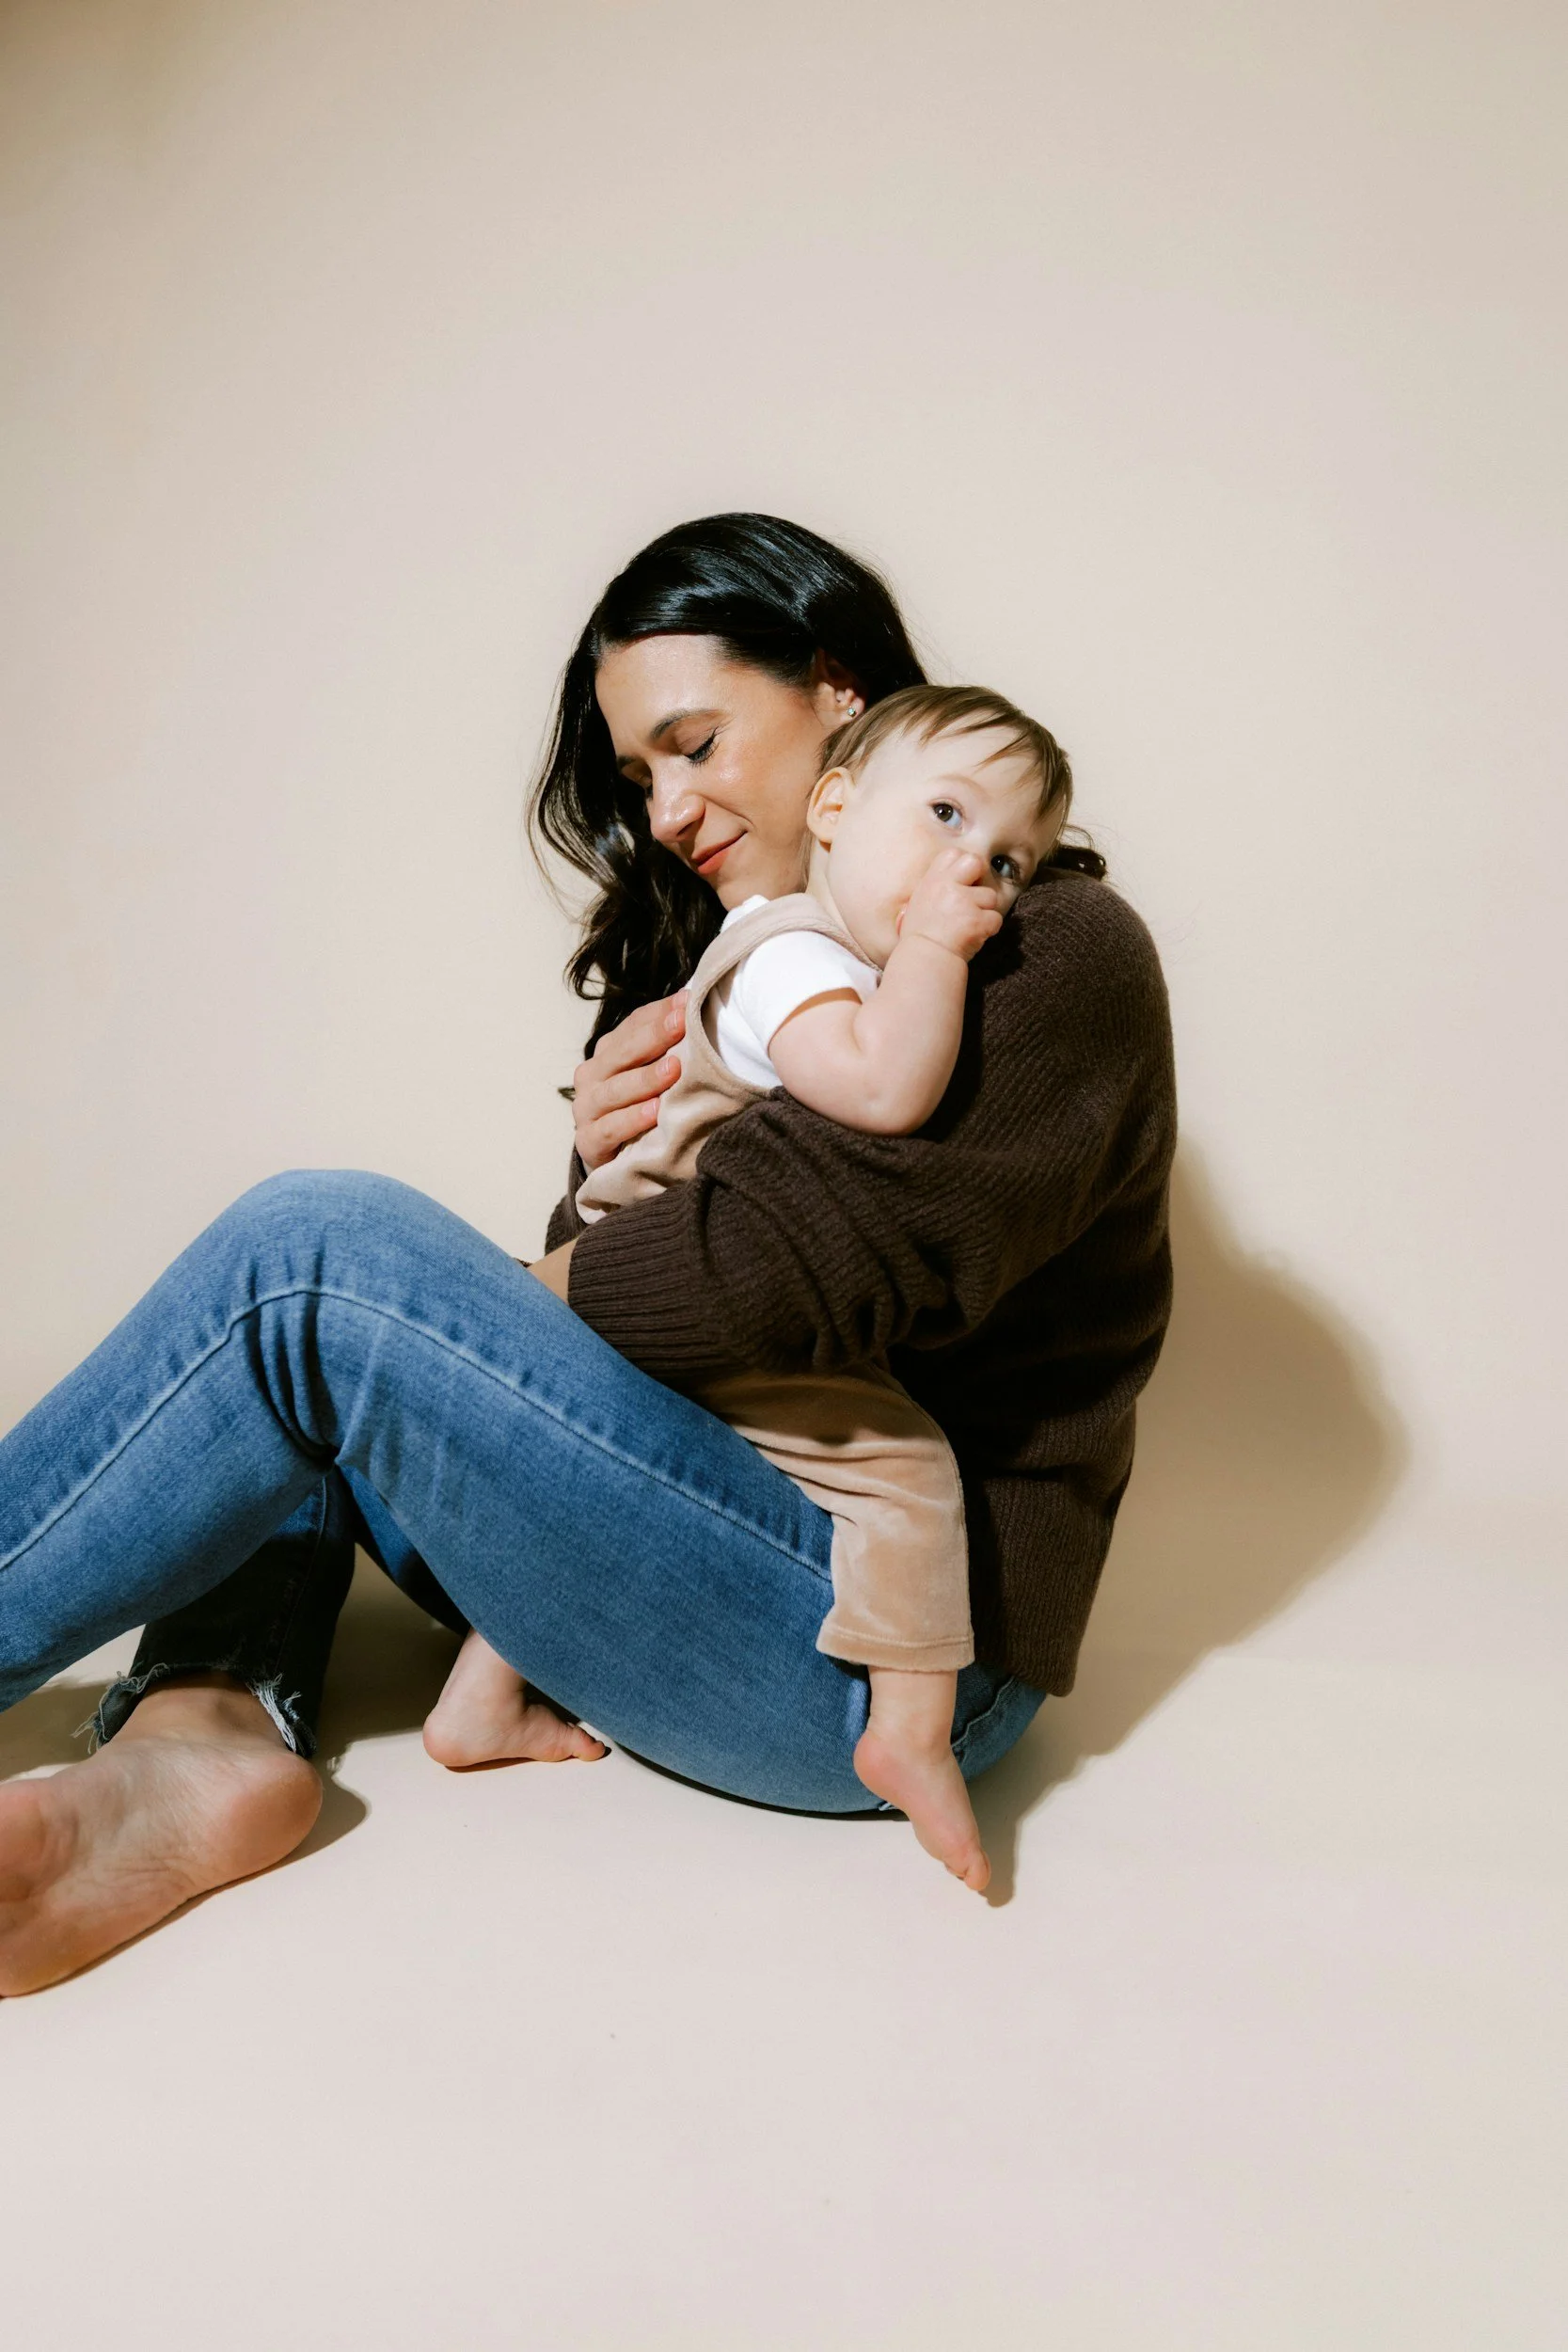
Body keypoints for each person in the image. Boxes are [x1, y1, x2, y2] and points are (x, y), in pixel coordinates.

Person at [0, 513, 1176, 1995]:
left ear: (837, 695)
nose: (668, 810)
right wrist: (590, 1167)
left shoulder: (1043, 949)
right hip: (702, 1530)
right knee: (314, 1368)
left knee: (315, 1266)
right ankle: (199, 1737)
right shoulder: (758, 959)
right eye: (638, 778)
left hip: (876, 1644)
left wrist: (482, 1299)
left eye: (694, 744)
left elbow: (766, 1284)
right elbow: (625, 1324)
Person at [465, 684, 1076, 1892]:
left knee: (596, 1488)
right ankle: (907, 1734)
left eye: (1008, 860)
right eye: (945, 816)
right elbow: (881, 1091)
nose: (973, 869)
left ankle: (479, 1693)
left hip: (661, 1278)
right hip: (665, 1281)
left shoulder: (844, 956)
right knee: (903, 1472)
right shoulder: (789, 954)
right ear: (834, 808)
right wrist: (937, 952)